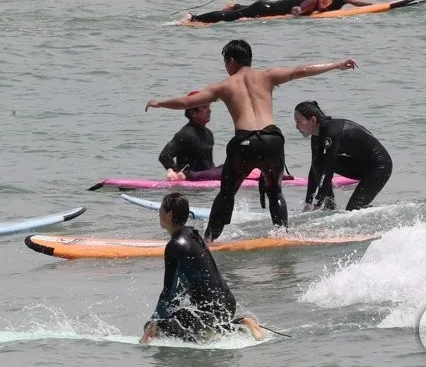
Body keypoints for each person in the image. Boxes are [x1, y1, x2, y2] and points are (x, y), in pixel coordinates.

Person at [146, 40, 357, 241]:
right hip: (272, 140)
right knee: (275, 191)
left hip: (244, 143)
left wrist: (160, 103)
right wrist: (336, 64)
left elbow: (186, 101)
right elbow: (301, 70)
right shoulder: (268, 76)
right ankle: (282, 235)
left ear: (231, 61)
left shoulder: (224, 86)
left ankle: (209, 239)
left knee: (227, 194)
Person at [140, 193, 265, 344]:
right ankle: (240, 324)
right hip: (227, 303)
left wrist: (155, 321)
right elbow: (183, 285)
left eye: (161, 209)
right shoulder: (193, 235)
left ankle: (235, 327)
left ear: (170, 214)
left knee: (161, 328)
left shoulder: (175, 245)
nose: (158, 213)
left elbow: (168, 291)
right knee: (189, 324)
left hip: (209, 310)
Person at [294, 101, 391, 211]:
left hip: (379, 167)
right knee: (319, 162)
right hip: (359, 166)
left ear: (313, 120)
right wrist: (309, 201)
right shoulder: (316, 136)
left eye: (299, 121)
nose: (296, 126)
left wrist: (317, 202)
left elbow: (329, 170)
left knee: (353, 209)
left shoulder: (331, 132)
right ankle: (330, 206)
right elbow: (315, 169)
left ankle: (385, 217)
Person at [185, 0, 337, 25]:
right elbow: (301, 8)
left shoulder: (314, 0)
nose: (327, 0)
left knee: (240, 11)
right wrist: (299, 11)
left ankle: (234, 6)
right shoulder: (313, 0)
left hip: (265, 6)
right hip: (264, 9)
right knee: (230, 18)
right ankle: (193, 18)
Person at [159, 96, 219, 181]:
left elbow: (208, 163)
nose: (209, 110)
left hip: (207, 176)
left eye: (209, 107)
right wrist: (173, 171)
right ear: (193, 113)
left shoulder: (208, 133)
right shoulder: (185, 134)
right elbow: (164, 155)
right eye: (204, 107)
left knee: (229, 165)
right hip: (191, 176)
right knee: (226, 169)